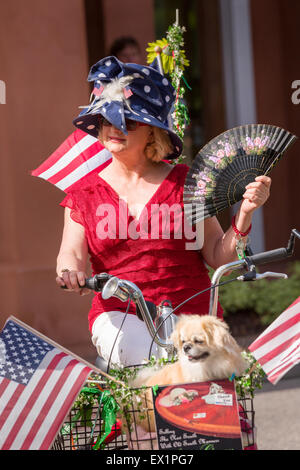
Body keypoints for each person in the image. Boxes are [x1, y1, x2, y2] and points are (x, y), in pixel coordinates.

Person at [55, 56, 271, 367]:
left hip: (192, 312)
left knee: (207, 391)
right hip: (120, 312)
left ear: (152, 132)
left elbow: (218, 256)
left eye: (128, 121)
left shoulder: (186, 183)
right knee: (138, 351)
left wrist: (245, 214)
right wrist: (69, 272)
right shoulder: (83, 193)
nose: (114, 128)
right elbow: (70, 255)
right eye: (106, 119)